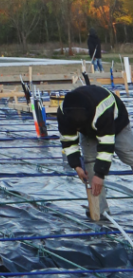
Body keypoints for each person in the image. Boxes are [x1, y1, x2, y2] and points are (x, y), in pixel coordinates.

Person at [57, 84, 133, 218]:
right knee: (90, 168)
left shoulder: (102, 109)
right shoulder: (64, 112)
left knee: (129, 155)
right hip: (89, 131)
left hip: (116, 123)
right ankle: (100, 211)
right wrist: (76, 165)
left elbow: (107, 145)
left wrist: (100, 174)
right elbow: (68, 140)